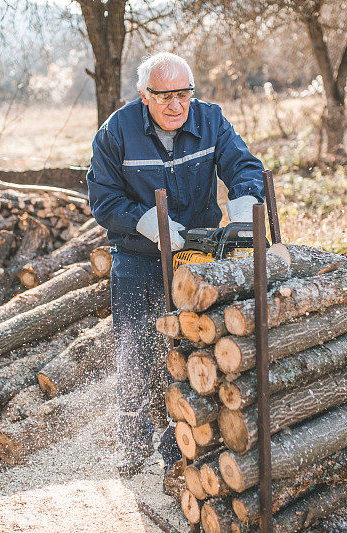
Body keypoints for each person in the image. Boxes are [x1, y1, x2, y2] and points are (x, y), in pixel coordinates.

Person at [86, 52, 265, 478]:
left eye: (183, 94)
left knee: (190, 349)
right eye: (164, 96)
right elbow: (103, 199)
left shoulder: (210, 120)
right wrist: (148, 222)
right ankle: (131, 445)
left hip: (197, 255)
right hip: (138, 256)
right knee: (135, 353)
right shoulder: (117, 132)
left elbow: (244, 165)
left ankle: (182, 447)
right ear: (143, 95)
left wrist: (243, 206)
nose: (175, 105)